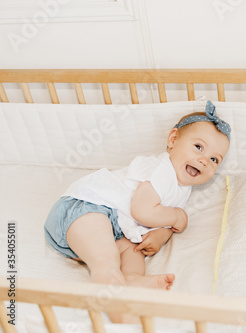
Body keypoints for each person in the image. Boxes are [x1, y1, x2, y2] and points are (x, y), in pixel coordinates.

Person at [44, 101, 230, 321]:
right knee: (107, 260)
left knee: (133, 250)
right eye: (198, 147)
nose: (204, 160)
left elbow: (160, 219)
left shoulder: (183, 188)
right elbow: (142, 211)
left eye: (214, 159)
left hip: (114, 227)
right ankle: (120, 312)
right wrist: (178, 217)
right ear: (173, 140)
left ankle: (132, 280)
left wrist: (163, 234)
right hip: (85, 208)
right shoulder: (161, 170)